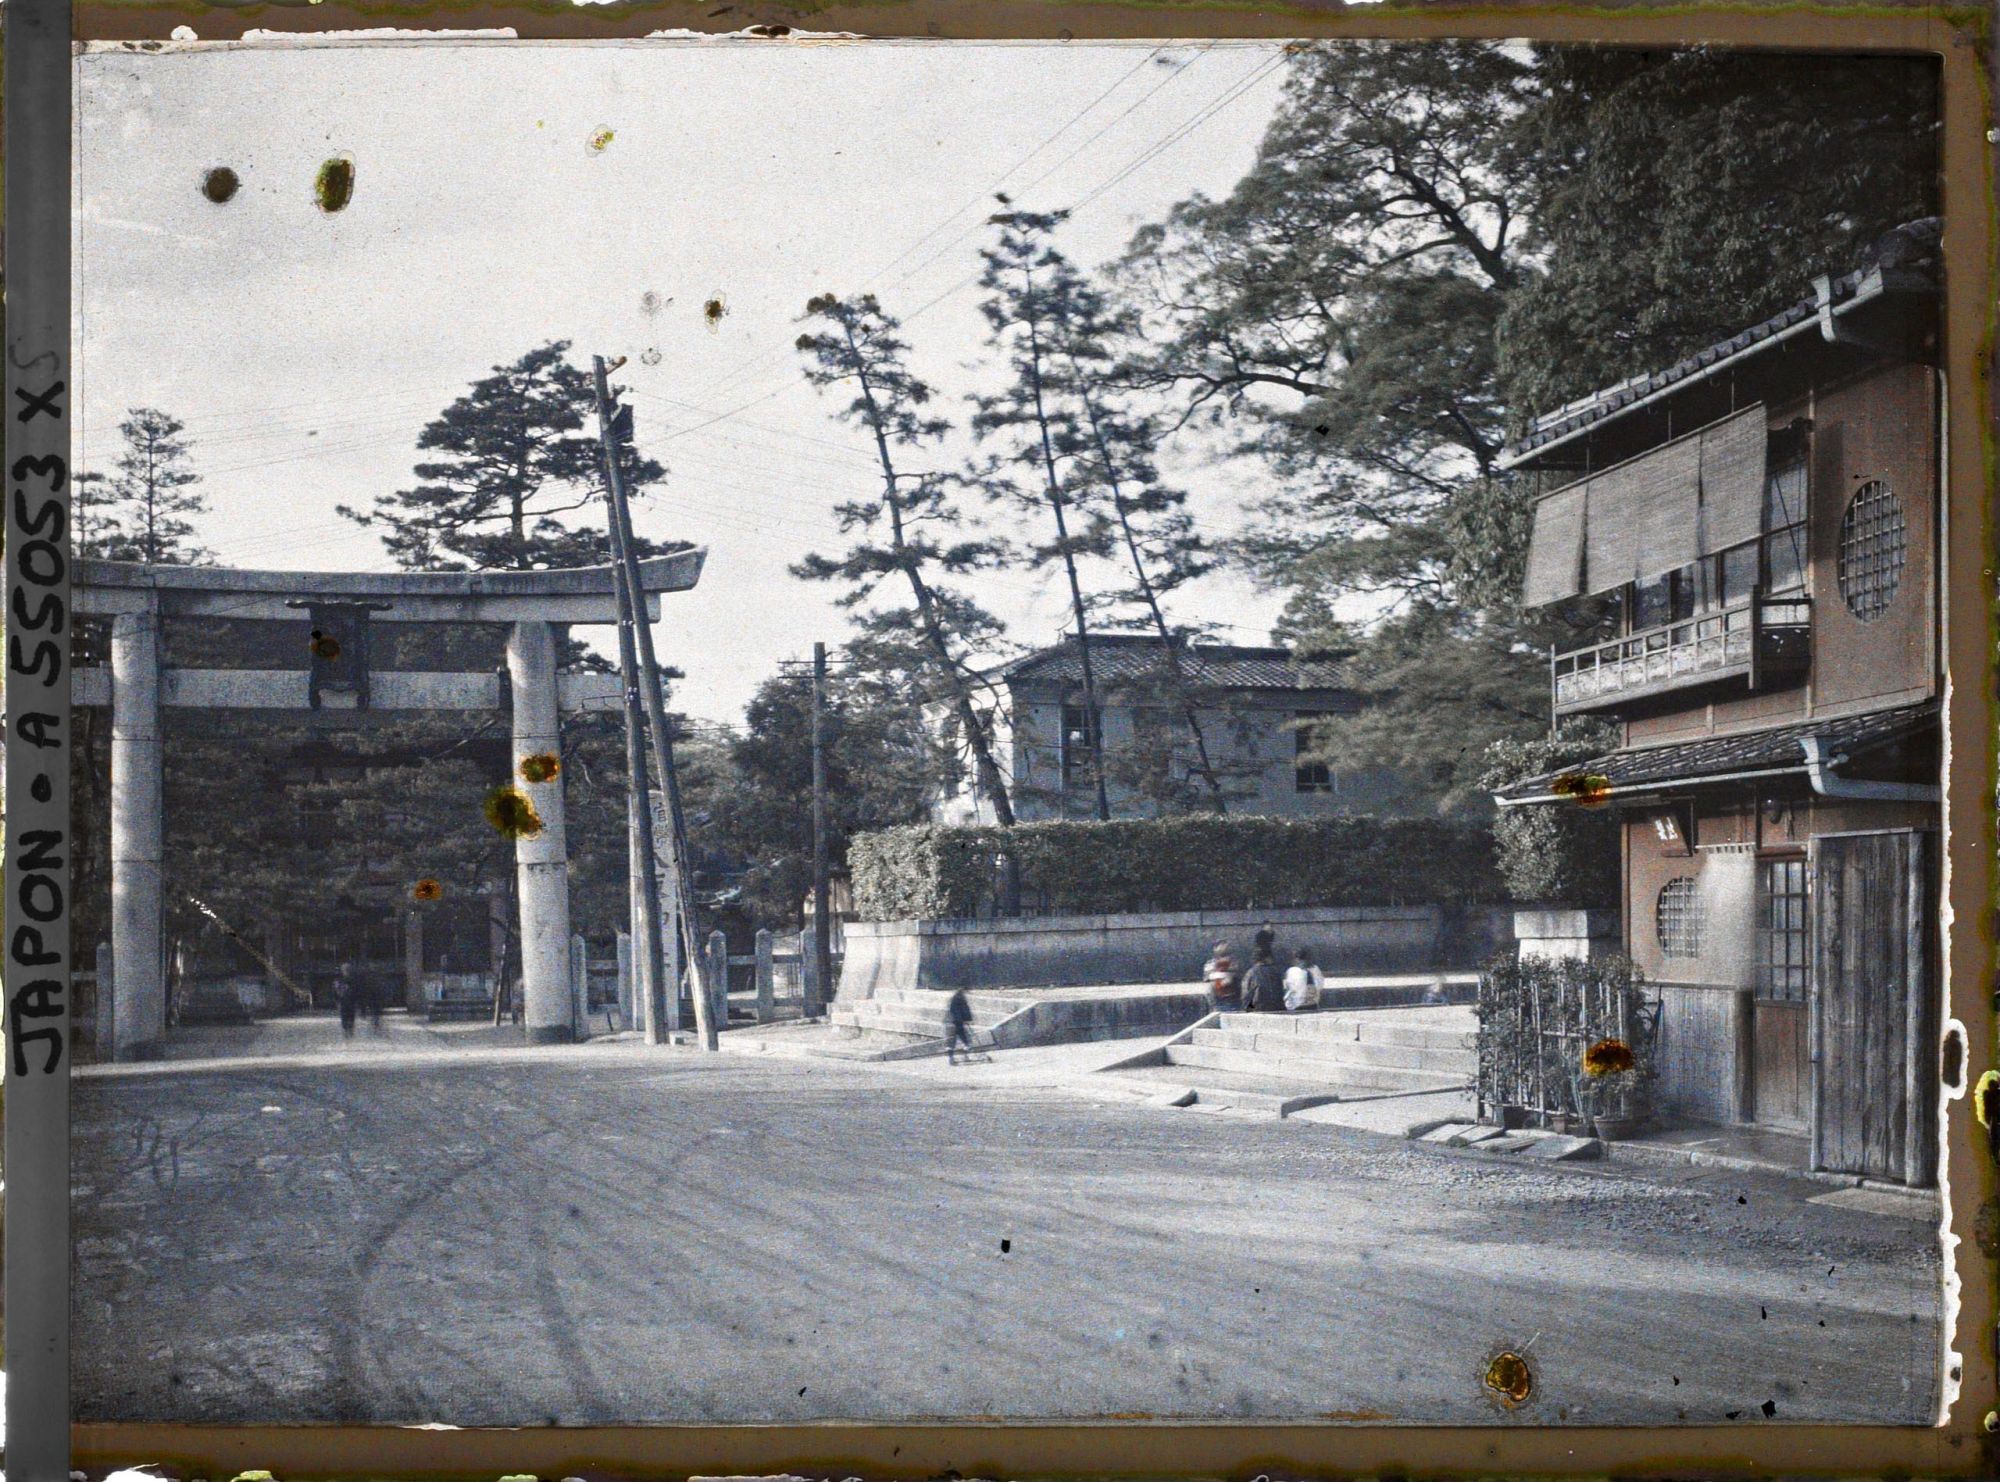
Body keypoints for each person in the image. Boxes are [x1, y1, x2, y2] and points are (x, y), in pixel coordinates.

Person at [1241, 946, 1284, 1014]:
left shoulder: (1251, 973)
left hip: (1257, 1009)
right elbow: (1280, 991)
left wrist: (1248, 1010)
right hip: (1276, 1009)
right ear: (1267, 958)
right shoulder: (1275, 972)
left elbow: (1246, 995)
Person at [1203, 941, 1241, 1013]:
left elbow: (1236, 976)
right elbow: (1211, 983)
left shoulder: (1234, 963)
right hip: (1218, 1000)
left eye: (1227, 952)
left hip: (1233, 1000)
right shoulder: (1210, 965)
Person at [1283, 947, 1324, 1013]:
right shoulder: (1316, 969)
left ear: (1296, 959)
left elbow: (1291, 989)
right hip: (1313, 1005)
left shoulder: (1292, 971)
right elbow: (1320, 986)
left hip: (1296, 1006)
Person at [945, 988, 974, 1065]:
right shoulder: (960, 999)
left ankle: (951, 1058)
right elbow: (964, 1010)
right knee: (966, 1040)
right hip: (957, 1023)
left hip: (949, 1023)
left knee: (951, 1042)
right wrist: (967, 1019)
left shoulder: (953, 999)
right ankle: (965, 1056)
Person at [333, 960, 359, 1039]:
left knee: (350, 1017)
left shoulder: (353, 980)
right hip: (343, 1002)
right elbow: (335, 992)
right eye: (345, 969)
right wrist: (337, 1001)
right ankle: (346, 1031)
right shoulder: (339, 980)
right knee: (345, 1017)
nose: (346, 971)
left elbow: (357, 991)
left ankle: (349, 1030)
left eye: (348, 969)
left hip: (351, 1002)